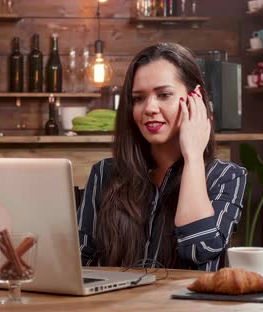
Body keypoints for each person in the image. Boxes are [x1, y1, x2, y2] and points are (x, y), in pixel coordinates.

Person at [77, 43, 247, 272]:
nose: (149, 108)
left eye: (164, 94)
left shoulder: (226, 177)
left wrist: (193, 157)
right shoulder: (104, 174)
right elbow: (80, 260)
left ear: (194, 99)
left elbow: (199, 248)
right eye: (138, 98)